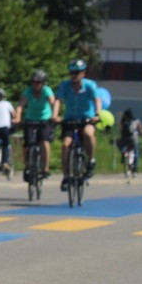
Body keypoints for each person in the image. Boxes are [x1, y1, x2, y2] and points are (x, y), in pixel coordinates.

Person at [53, 59, 101, 190]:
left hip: (86, 119)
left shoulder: (90, 85)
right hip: (70, 119)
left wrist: (97, 114)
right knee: (65, 145)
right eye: (72, 73)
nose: (75, 75)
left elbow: (97, 100)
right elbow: (57, 100)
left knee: (88, 133)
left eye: (78, 73)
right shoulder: (64, 85)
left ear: (83, 73)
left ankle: (91, 160)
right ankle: (66, 176)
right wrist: (55, 115)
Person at [13, 69, 55, 180]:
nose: (36, 84)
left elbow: (52, 102)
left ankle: (45, 168)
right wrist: (17, 117)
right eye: (34, 82)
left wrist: (54, 115)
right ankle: (27, 165)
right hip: (30, 119)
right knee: (27, 144)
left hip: (45, 119)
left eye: (38, 82)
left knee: (44, 142)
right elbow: (20, 105)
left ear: (43, 83)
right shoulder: (28, 91)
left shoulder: (47, 91)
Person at [118, 108, 142, 174]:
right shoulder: (136, 120)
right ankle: (135, 168)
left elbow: (121, 129)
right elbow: (141, 129)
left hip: (125, 138)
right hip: (134, 138)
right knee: (136, 152)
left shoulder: (123, 120)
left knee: (124, 149)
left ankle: (124, 156)